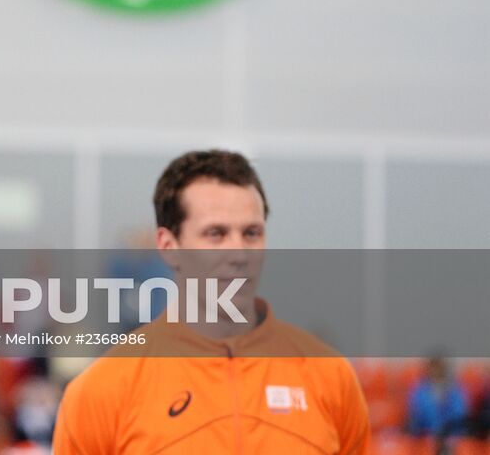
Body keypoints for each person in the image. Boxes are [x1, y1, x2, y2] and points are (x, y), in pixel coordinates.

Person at [53, 149, 370, 454]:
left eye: (251, 233)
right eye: (216, 234)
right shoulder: (101, 391)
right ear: (169, 246)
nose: (239, 253)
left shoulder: (330, 377)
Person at [406, 355, 469, 445]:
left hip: (452, 437)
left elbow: (460, 414)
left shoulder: (456, 389)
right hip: (425, 436)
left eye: (439, 368)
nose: (435, 371)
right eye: (433, 368)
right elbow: (417, 414)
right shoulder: (419, 390)